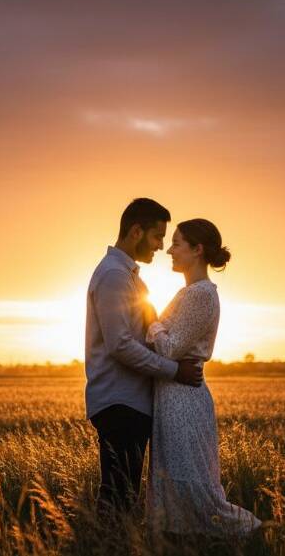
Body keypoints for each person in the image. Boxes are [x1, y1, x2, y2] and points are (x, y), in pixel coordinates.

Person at [85, 198, 204, 515]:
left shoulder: (128, 276)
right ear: (136, 231)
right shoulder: (114, 276)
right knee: (118, 498)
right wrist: (174, 370)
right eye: (157, 236)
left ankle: (110, 545)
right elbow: (121, 345)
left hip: (127, 401)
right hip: (120, 402)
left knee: (121, 495)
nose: (161, 246)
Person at [146, 218, 261, 538]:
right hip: (173, 394)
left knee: (191, 481)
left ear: (197, 250)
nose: (169, 249)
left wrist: (150, 319)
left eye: (177, 243)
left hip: (183, 397)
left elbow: (169, 349)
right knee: (175, 477)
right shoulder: (190, 292)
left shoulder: (200, 294)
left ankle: (252, 533)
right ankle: (183, 542)